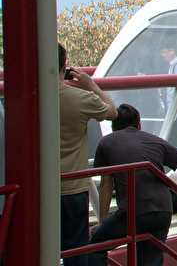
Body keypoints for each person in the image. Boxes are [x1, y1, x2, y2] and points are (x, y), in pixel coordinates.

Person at [89, 104, 177, 265]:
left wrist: (102, 223)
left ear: (113, 125)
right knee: (150, 260)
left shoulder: (106, 142)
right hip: (163, 210)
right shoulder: (154, 140)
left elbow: (106, 185)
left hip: (133, 212)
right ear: (138, 124)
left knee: (95, 245)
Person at [59, 43, 117, 266]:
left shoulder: (29, 96)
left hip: (39, 189)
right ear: (65, 67)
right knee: (76, 250)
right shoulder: (79, 98)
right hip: (73, 188)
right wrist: (91, 84)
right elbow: (113, 111)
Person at [160, 46, 177, 112]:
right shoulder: (173, 65)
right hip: (173, 103)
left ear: (172, 51)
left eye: (164, 52)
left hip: (176, 104)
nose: (163, 55)